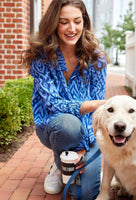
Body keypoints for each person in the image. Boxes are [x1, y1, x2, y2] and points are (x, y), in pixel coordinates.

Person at [21, 0, 108, 199]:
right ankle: (60, 165)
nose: (72, 28)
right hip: (53, 127)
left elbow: (97, 110)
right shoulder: (41, 58)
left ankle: (72, 161)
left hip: (87, 130)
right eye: (64, 22)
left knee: (85, 195)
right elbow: (52, 104)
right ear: (53, 24)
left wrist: (84, 147)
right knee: (67, 124)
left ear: (84, 23)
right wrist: (86, 105)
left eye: (77, 21)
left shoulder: (97, 60)